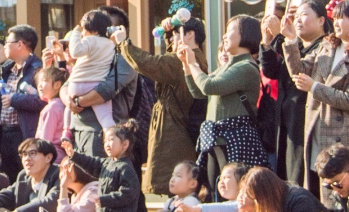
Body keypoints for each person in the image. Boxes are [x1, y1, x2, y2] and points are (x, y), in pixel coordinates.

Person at [285, 0, 349, 207]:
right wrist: (291, 41)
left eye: (341, 18)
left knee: (341, 193)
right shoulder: (327, 45)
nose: (335, 22)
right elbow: (299, 73)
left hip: (343, 133)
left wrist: (316, 88)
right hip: (316, 126)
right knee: (316, 188)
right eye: (334, 18)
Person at [110, 14, 201, 195]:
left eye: (176, 34)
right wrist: (169, 34)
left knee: (177, 191)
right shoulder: (190, 59)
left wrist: (124, 43)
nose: (173, 38)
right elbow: (167, 64)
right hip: (178, 130)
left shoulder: (183, 61)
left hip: (175, 134)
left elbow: (150, 64)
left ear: (190, 35)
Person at [179, 15, 265, 194]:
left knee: (234, 192)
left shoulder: (246, 67)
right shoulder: (227, 66)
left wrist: (193, 62)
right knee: (214, 189)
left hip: (234, 139)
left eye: (230, 30)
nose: (224, 36)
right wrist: (187, 66)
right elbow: (199, 91)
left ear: (245, 34)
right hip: (215, 139)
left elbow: (210, 86)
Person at [262, 0, 330, 184]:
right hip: (285, 121)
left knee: (303, 177)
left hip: (306, 120)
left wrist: (282, 38)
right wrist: (267, 43)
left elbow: (298, 71)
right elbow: (271, 71)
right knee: (286, 177)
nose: (297, 20)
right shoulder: (295, 45)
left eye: (304, 15)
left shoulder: (325, 47)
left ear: (321, 20)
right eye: (296, 16)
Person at [61, 10, 118, 140]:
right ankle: (112, 138)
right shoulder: (110, 45)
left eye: (84, 29)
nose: (83, 33)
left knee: (69, 107)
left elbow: (75, 52)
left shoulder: (90, 40)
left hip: (76, 85)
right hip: (97, 86)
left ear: (93, 30)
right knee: (106, 117)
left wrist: (75, 33)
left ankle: (67, 130)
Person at [0, 25, 45, 175]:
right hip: (5, 133)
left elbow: (42, 100)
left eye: (7, 42)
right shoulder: (7, 70)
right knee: (8, 178)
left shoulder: (38, 69)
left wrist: (15, 99)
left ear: (20, 44)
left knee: (26, 177)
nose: (4, 46)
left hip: (24, 132)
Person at [34, 66, 67, 162]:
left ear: (57, 85)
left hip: (51, 156)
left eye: (44, 81)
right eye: (39, 82)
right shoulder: (61, 105)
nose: (40, 85)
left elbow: (45, 141)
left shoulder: (51, 108)